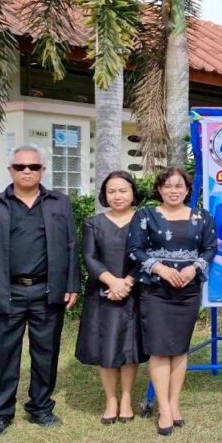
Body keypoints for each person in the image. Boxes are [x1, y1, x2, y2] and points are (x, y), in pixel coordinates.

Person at [0, 144, 79, 439]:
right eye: (20, 166)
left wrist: (72, 284)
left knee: (46, 353)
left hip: (47, 290)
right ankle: (0, 414)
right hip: (7, 292)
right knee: (4, 354)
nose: (27, 171)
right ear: (11, 171)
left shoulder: (59, 203)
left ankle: (40, 407)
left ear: (43, 170)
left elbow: (71, 246)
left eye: (33, 166)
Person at [127, 167, 216, 436]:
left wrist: (194, 268)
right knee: (159, 349)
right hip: (156, 291)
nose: (173, 191)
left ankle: (175, 403)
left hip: (188, 292)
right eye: (168, 186)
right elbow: (134, 249)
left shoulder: (202, 216)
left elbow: (210, 248)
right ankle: (164, 408)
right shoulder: (146, 215)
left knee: (179, 349)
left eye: (179, 186)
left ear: (187, 189)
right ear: (159, 189)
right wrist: (161, 269)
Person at [75, 171, 147, 424]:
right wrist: (113, 282)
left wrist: (127, 282)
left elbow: (149, 255)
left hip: (134, 292)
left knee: (130, 347)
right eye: (112, 191)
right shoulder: (93, 223)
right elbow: (89, 257)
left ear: (133, 193)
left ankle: (126, 398)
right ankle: (111, 400)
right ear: (104, 195)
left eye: (123, 190)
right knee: (105, 347)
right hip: (102, 293)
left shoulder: (144, 221)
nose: (117, 196)